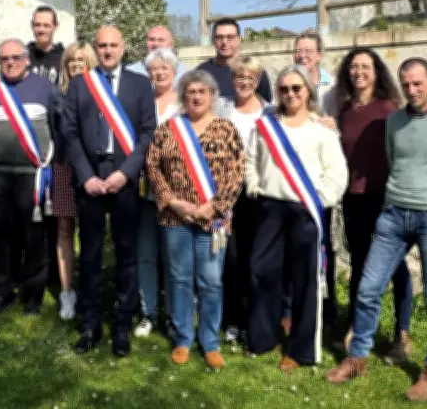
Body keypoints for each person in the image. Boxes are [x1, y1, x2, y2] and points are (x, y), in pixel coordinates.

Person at [326, 57, 427, 402]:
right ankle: (357, 357)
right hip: (393, 216)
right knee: (367, 289)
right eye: (406, 84)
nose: (412, 90)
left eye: (418, 83)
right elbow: (394, 160)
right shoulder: (395, 121)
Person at [61, 25, 156, 357]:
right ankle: (90, 324)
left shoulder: (140, 84)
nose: (107, 51)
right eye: (102, 45)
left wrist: (125, 173)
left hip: (124, 180)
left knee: (126, 254)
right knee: (89, 253)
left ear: (123, 47)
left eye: (113, 45)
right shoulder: (79, 84)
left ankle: (122, 324)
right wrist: (86, 176)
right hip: (90, 181)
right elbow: (69, 134)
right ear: (95, 49)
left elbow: (147, 134)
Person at [245, 65, 348, 372]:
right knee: (260, 270)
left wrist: (320, 200)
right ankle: (263, 337)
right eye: (285, 89)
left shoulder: (322, 130)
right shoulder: (266, 127)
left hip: (306, 211)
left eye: (297, 88)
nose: (290, 94)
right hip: (271, 208)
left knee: (305, 280)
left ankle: (301, 349)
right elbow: (251, 161)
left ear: (308, 92)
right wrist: (255, 187)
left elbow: (337, 173)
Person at [147, 70, 245, 368]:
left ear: (213, 96)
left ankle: (210, 341)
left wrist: (213, 208)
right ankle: (182, 338)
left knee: (211, 281)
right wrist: (175, 203)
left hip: (212, 220)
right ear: (183, 96)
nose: (197, 96)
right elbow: (153, 167)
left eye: (203, 91)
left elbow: (237, 172)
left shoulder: (226, 129)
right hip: (175, 219)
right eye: (191, 92)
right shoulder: (167, 130)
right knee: (178, 278)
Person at [332, 47, 412, 361]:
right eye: (354, 67)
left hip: (385, 198)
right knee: (359, 265)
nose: (359, 72)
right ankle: (355, 326)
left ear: (376, 71)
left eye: (366, 66)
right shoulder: (344, 112)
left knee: (396, 266)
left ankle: (401, 335)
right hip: (353, 198)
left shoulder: (390, 109)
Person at [0, 38, 57, 315]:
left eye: (16, 57)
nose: (10, 63)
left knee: (33, 235)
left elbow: (57, 127)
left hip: (33, 176)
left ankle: (33, 295)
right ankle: (1, 291)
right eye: (4, 59)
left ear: (26, 59)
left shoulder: (45, 88)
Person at [289, 29, 339, 332]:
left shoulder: (332, 87)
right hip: (293, 179)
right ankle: (293, 307)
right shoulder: (287, 80)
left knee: (322, 244)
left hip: (320, 180)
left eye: (309, 50)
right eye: (299, 50)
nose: (303, 55)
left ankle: (325, 308)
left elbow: (340, 126)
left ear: (319, 54)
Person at [219, 56, 270, 345]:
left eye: (251, 76)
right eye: (240, 76)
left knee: (258, 259)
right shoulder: (221, 107)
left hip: (259, 193)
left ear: (258, 79)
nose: (245, 81)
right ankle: (233, 320)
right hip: (227, 192)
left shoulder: (271, 111)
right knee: (232, 259)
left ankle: (256, 320)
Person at [134, 48, 181, 339]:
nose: (159, 73)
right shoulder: (141, 102)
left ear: (175, 71)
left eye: (165, 68)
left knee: (174, 257)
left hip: (176, 193)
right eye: (154, 69)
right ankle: (147, 312)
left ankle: (176, 315)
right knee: (146, 254)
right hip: (144, 190)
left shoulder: (185, 103)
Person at [51, 41, 98, 321]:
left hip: (93, 169)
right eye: (71, 61)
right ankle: (67, 293)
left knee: (93, 232)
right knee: (65, 230)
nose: (76, 65)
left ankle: (93, 288)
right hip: (65, 167)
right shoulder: (57, 94)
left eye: (82, 60)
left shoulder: (102, 92)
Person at [26, 4, 65, 296]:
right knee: (31, 211)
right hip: (29, 145)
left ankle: (55, 270)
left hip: (57, 146)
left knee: (55, 213)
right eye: (37, 24)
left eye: (46, 25)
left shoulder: (63, 58)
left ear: (55, 26)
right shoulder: (23, 57)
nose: (41, 29)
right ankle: (30, 268)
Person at [196, 18, 272, 102]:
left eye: (230, 37)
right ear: (213, 40)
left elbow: (265, 106)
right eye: (219, 37)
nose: (224, 42)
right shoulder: (201, 72)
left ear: (239, 39)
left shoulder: (254, 70)